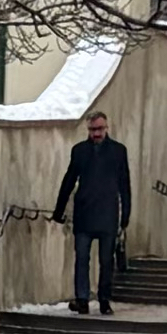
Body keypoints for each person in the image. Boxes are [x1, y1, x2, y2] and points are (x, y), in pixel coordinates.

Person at [56, 111, 132, 315]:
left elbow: (125, 184)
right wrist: (59, 209)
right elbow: (69, 179)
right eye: (92, 129)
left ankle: (104, 299)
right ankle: (82, 299)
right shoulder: (79, 151)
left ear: (107, 128)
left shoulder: (118, 151)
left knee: (106, 260)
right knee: (82, 258)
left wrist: (126, 214)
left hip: (108, 214)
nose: (96, 133)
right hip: (85, 212)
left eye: (99, 129)